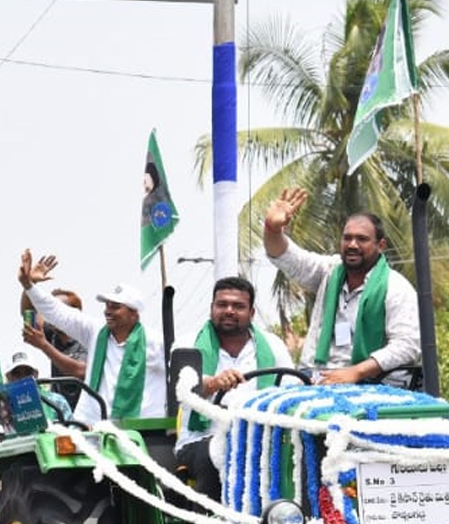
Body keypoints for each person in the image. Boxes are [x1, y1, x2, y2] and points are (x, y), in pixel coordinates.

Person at [264, 187, 420, 385]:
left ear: (381, 246)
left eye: (362, 239)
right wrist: (272, 229)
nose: (352, 245)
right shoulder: (329, 272)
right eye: (347, 238)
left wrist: (356, 372)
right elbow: (285, 257)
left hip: (373, 384)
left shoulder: (396, 287)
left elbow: (407, 345)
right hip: (316, 379)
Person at [173, 276, 294, 501]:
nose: (229, 311)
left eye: (238, 306)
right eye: (222, 305)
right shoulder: (187, 344)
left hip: (261, 436)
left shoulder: (273, 345)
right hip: (202, 438)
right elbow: (183, 390)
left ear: (251, 313)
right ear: (212, 309)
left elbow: (292, 392)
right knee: (221, 452)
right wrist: (212, 383)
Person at [18, 248, 166, 423]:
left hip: (142, 429)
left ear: (134, 313)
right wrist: (28, 285)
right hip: (93, 425)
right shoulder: (95, 332)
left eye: (115, 307)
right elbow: (53, 310)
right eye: (107, 305)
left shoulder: (156, 342)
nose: (107, 311)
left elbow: (184, 376)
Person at [21, 287, 87, 410]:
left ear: (75, 312)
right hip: (61, 412)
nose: (52, 315)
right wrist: (29, 285)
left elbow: (79, 371)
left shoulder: (87, 337)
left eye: (57, 310)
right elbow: (28, 313)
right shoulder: (53, 334)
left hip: (87, 415)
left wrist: (44, 345)